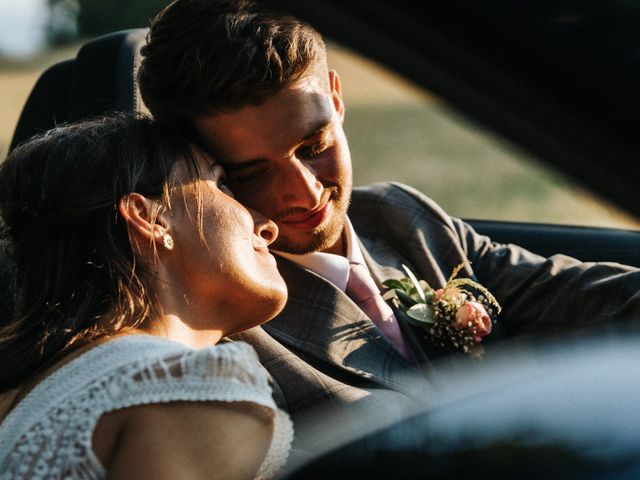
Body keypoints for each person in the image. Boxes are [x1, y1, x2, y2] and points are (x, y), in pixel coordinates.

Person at [136, 0, 640, 443]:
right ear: (199, 168)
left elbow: (586, 297)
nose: (304, 193)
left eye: (314, 147)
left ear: (335, 98)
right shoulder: (220, 326)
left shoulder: (402, 216)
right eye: (249, 173)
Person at [0, 112, 293, 479]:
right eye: (221, 185)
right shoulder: (188, 390)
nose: (268, 227)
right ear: (148, 217)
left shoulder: (14, 402)